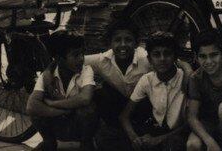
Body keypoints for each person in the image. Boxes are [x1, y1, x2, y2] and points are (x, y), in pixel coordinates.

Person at [26, 31, 97, 151]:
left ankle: (86, 144)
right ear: (59, 58)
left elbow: (85, 98)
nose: (81, 59)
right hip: (59, 123)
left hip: (78, 126)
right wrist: (63, 111)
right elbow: (31, 106)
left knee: (88, 110)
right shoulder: (47, 75)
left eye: (82, 54)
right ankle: (49, 142)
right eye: (75, 55)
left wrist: (53, 103)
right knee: (37, 111)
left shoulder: (86, 70)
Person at [85, 20, 151, 149]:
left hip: (142, 107)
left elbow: (174, 63)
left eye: (128, 40)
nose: (123, 45)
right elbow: (77, 60)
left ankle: (142, 129)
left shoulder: (146, 59)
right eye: (117, 40)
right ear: (110, 43)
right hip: (119, 106)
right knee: (100, 93)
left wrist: (188, 71)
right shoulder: (102, 60)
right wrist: (48, 71)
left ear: (136, 43)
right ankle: (112, 131)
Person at [120, 32, 188, 151]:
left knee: (173, 145)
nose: (162, 59)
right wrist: (135, 139)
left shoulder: (185, 78)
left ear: (175, 57)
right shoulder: (147, 79)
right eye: (156, 55)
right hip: (157, 129)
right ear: (149, 59)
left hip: (181, 133)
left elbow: (191, 123)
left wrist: (159, 139)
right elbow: (124, 116)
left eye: (167, 54)